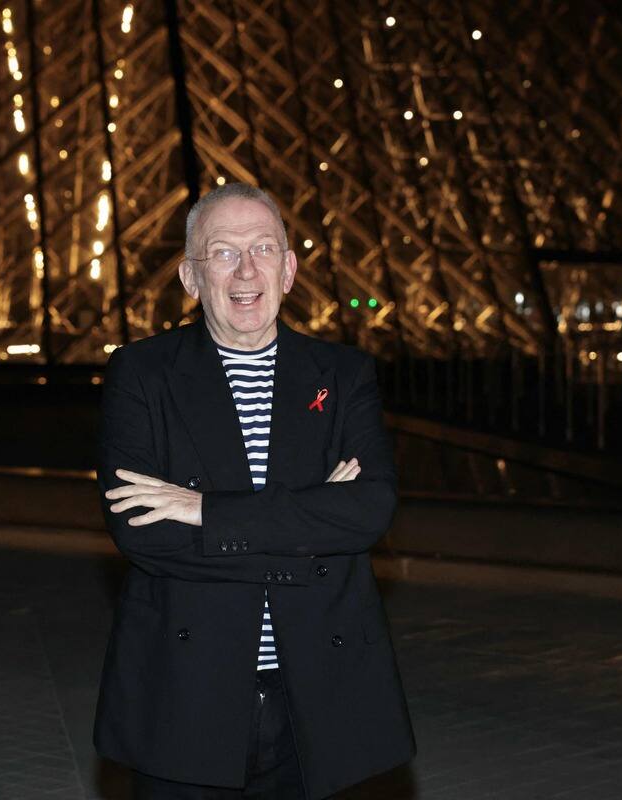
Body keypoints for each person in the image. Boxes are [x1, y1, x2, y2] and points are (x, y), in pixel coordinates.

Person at [93, 183, 415, 799]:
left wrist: (204, 510)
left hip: (317, 695)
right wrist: (312, 524)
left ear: (290, 269)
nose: (246, 270)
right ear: (191, 277)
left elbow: (369, 512)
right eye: (222, 252)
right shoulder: (141, 374)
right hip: (188, 694)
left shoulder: (344, 375)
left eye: (264, 248)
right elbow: (143, 534)